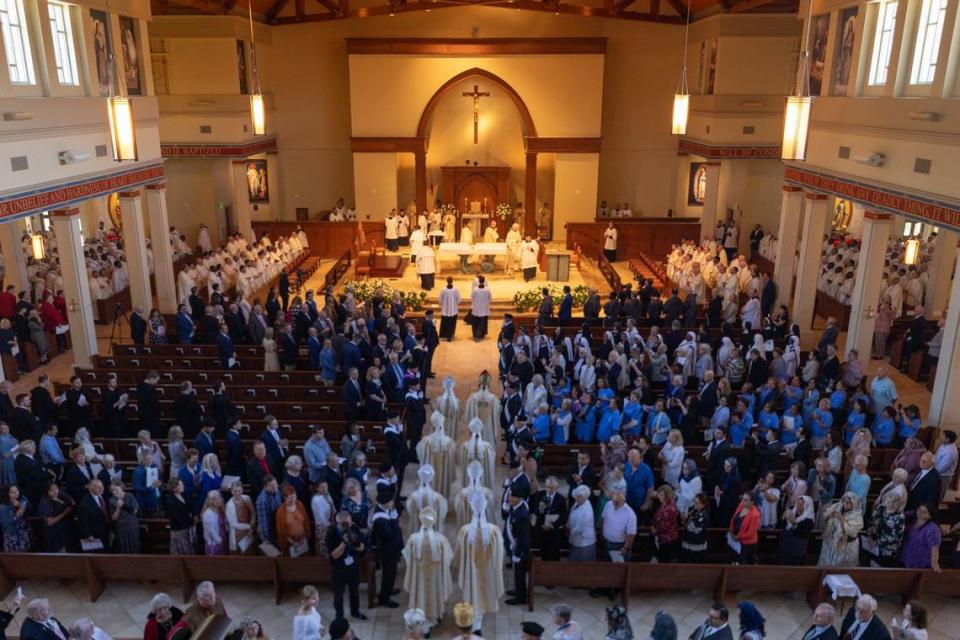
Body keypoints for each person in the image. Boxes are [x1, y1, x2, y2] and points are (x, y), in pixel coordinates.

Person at [402, 506, 454, 629]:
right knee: (435, 591)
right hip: (435, 575)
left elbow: (406, 556)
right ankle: (434, 615)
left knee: (419, 591)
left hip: (419, 575)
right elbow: (449, 557)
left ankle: (419, 617)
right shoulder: (441, 539)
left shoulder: (414, 539)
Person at [326, 510, 367, 621]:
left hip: (353, 566)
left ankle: (355, 612)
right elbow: (334, 555)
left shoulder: (354, 528)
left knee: (355, 591)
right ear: (338, 523)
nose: (348, 526)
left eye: (349, 523)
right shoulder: (331, 533)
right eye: (344, 524)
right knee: (338, 595)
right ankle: (339, 616)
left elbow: (362, 546)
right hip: (338, 569)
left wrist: (359, 545)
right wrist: (344, 542)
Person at [371, 489, 403, 608]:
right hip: (387, 551)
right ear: (384, 503)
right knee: (388, 574)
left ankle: (389, 590)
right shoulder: (379, 519)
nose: (392, 503)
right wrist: (394, 520)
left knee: (392, 573)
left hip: (392, 548)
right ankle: (384, 599)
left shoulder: (386, 510)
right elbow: (390, 535)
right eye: (391, 502)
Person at [818, 492, 863, 567]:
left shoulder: (857, 517)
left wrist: (841, 519)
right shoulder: (836, 506)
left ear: (854, 504)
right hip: (831, 541)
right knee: (827, 562)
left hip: (846, 545)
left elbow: (851, 532)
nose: (846, 504)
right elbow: (825, 516)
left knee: (841, 566)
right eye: (844, 501)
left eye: (849, 502)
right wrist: (829, 515)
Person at [901, 504, 941, 570]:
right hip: (906, 561)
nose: (920, 513)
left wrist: (934, 562)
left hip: (921, 564)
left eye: (924, 512)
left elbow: (934, 546)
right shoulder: (912, 523)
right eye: (919, 510)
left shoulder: (932, 528)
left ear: (930, 516)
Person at [728, 492, 760, 565]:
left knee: (744, 564)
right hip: (735, 540)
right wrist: (731, 532)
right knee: (735, 561)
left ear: (752, 502)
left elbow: (750, 533)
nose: (743, 502)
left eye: (746, 500)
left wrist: (737, 537)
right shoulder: (740, 506)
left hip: (747, 544)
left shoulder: (755, 514)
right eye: (742, 499)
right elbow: (733, 519)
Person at [567, 484, 596, 561]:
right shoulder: (577, 503)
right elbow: (571, 514)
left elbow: (579, 528)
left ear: (585, 497)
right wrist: (568, 525)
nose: (577, 498)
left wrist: (570, 532)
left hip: (583, 542)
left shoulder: (586, 510)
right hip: (575, 539)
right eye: (576, 496)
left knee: (581, 564)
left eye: (580, 497)